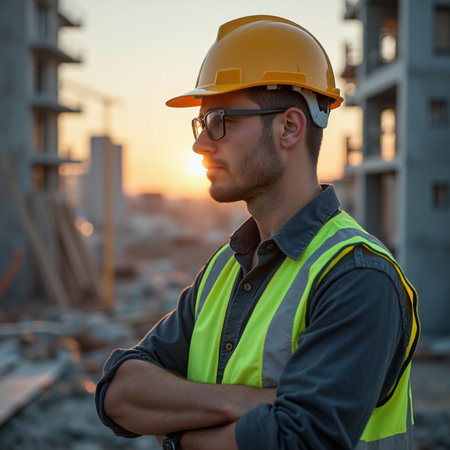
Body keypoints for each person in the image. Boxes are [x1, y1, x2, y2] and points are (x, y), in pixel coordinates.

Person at [95, 15, 420, 449]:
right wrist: (247, 403)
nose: (200, 143)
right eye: (201, 124)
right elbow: (118, 392)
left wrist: (181, 439)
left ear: (289, 127)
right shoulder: (223, 270)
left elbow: (298, 439)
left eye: (220, 120)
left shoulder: (358, 277)